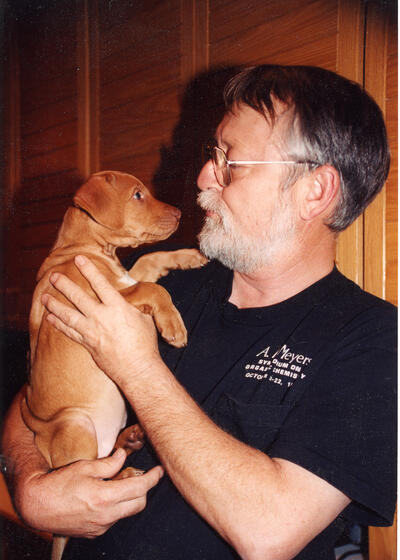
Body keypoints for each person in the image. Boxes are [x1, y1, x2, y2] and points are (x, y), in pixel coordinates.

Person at [2, 65, 396, 560]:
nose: (205, 176)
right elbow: (37, 397)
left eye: (232, 161)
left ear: (315, 191)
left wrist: (136, 365)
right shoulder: (171, 284)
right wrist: (32, 487)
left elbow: (269, 532)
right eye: (214, 154)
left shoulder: (373, 340)